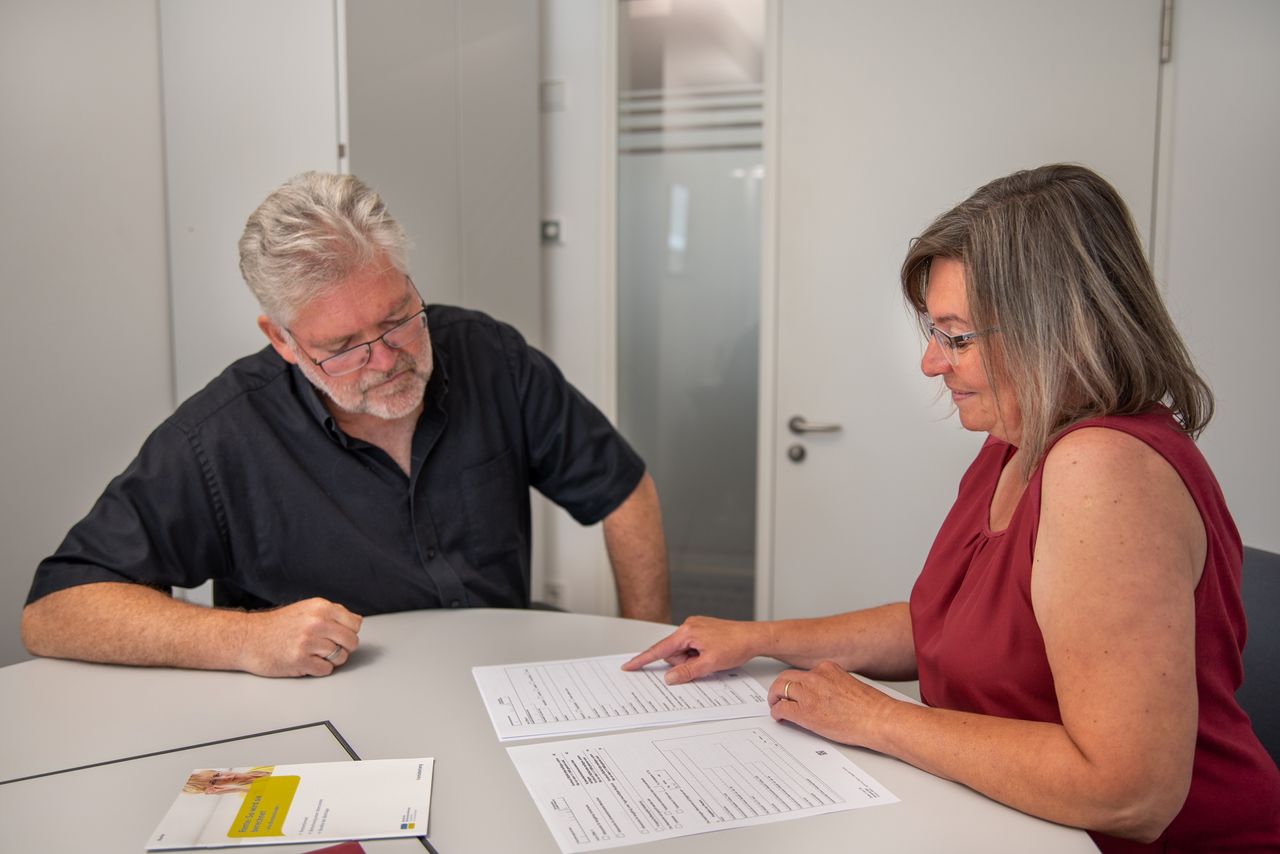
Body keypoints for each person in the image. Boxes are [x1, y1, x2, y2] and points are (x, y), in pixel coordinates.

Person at [624, 164, 1280, 851]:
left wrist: (875, 718)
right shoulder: (1019, 441)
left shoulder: (1104, 470)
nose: (932, 365)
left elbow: (1130, 792)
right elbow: (947, 625)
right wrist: (760, 637)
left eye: (956, 337)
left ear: (1053, 330)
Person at [23, 171, 670, 678]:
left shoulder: (488, 355)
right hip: (327, 722)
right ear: (281, 340)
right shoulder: (222, 436)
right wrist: (247, 638)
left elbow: (622, 490)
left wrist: (647, 652)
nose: (386, 361)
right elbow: (56, 612)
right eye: (344, 346)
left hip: (499, 689)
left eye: (397, 318)